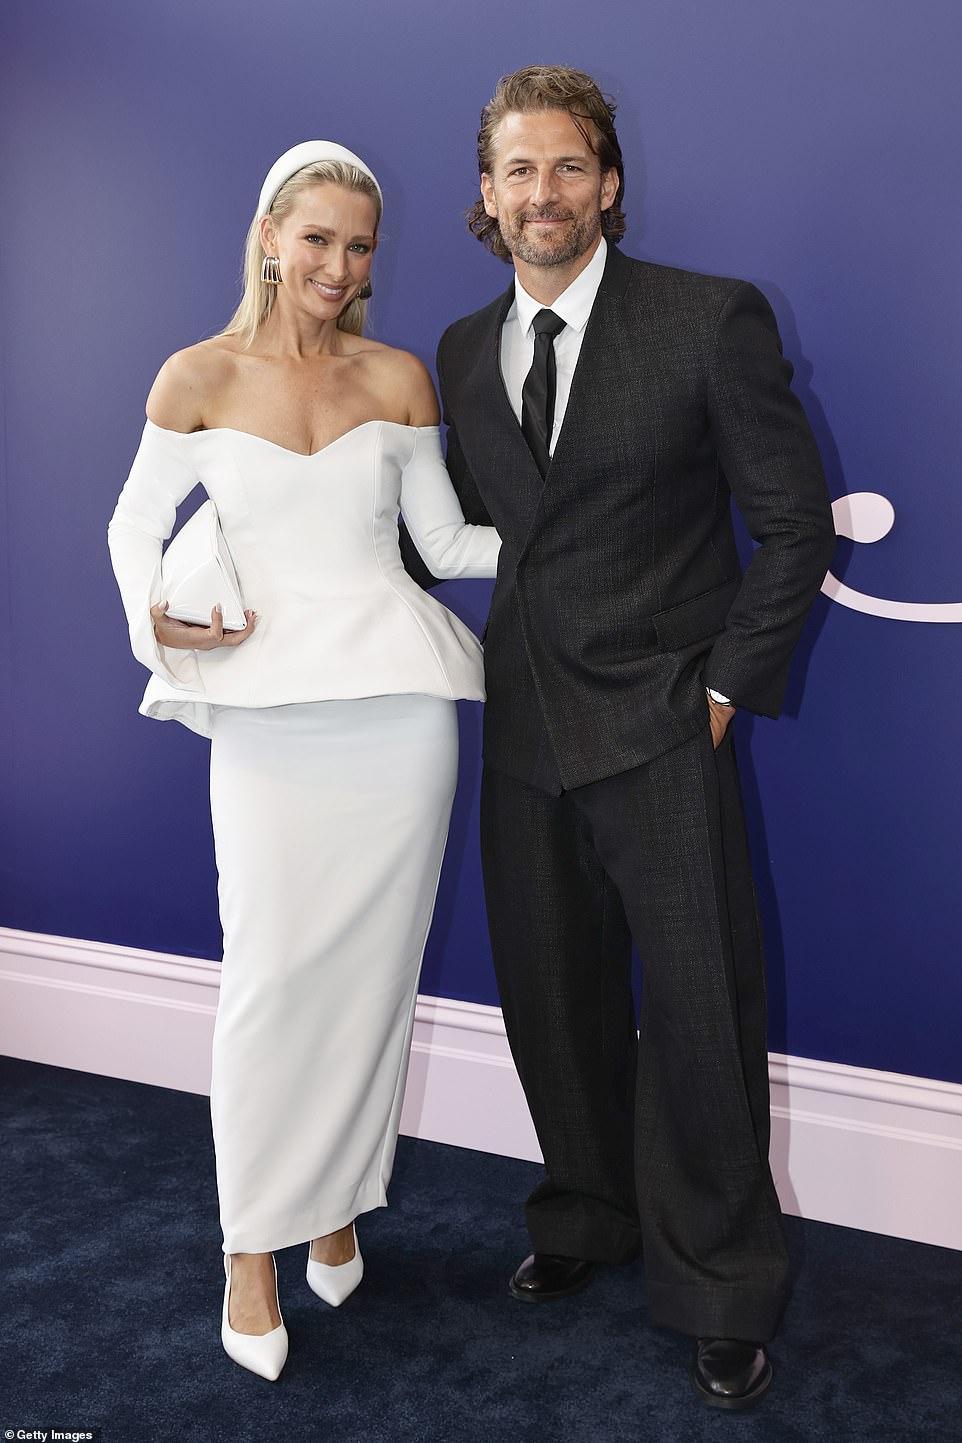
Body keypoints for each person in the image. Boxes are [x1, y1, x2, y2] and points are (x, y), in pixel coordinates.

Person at [414, 66, 836, 1409]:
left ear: (605, 181)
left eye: (565, 166)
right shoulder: (460, 349)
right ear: (485, 196)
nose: (541, 191)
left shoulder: (708, 318)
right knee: (551, 999)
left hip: (662, 729)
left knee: (701, 1015)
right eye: (514, 170)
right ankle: (583, 1217)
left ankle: (719, 1279)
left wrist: (716, 691)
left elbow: (792, 524)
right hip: (524, 728)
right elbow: (480, 532)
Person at [107, 141, 500, 1382]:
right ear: (270, 235)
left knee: (373, 980)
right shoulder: (196, 375)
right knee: (273, 976)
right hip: (271, 707)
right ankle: (250, 1248)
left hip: (399, 710)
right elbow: (131, 522)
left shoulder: (398, 376)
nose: (338, 266)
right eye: (317, 239)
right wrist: (151, 620)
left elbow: (442, 539)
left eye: (360, 245)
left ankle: (333, 1205)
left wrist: (596, 523)